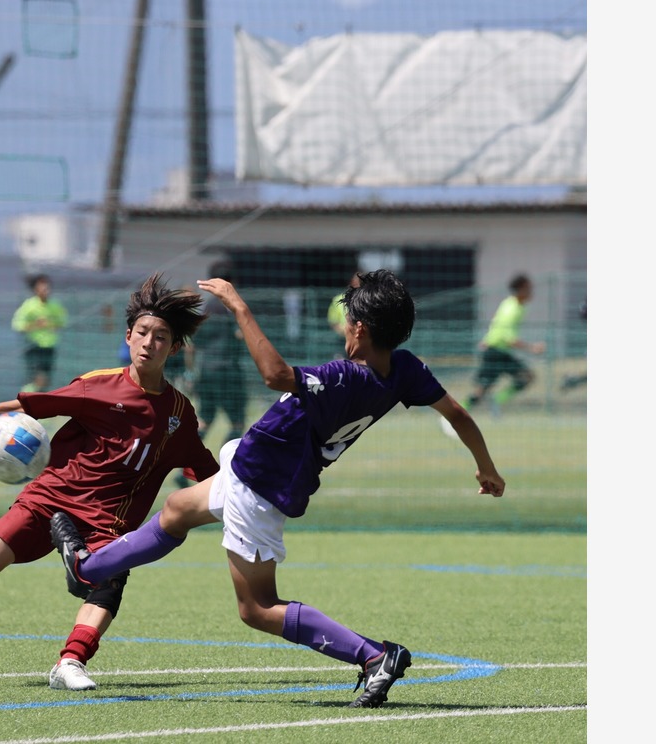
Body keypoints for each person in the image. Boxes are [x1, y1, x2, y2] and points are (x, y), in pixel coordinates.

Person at [51, 269, 505, 709]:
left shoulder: (344, 376)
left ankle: (373, 656)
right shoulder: (404, 370)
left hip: (259, 488)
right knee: (176, 509)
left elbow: (274, 374)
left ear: (361, 329)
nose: (343, 328)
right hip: (254, 467)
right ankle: (89, 566)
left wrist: (238, 305)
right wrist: (486, 467)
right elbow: (458, 414)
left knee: (257, 608)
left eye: (348, 320)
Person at [0, 273, 218, 692]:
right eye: (141, 333)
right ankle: (63, 547)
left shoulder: (179, 415)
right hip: (50, 500)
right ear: (128, 336)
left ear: (173, 348)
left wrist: (255, 488)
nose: (148, 343)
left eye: (159, 337)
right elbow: (35, 405)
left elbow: (208, 472)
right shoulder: (99, 385)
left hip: (107, 523)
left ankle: (71, 662)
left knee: (111, 577)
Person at [460, 273, 546, 417]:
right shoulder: (511, 308)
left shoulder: (517, 306)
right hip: (494, 351)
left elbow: (497, 325)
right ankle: (458, 411)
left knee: (527, 376)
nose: (532, 292)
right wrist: (532, 348)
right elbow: (508, 338)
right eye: (529, 288)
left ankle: (498, 399)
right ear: (521, 289)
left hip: (501, 351)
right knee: (482, 389)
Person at [192, 261, 248, 449]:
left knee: (205, 419)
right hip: (228, 370)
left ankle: (185, 469)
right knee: (238, 422)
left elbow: (194, 342)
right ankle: (226, 467)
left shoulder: (205, 308)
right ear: (231, 282)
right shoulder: (231, 306)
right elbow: (241, 334)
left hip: (206, 369)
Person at [11, 274, 68, 393]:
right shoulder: (29, 305)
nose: (45, 291)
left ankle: (37, 401)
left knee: (46, 378)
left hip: (49, 347)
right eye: (42, 288)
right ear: (35, 290)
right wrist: (36, 325)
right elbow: (17, 325)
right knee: (37, 377)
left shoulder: (55, 305)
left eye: (47, 288)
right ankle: (26, 398)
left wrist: (50, 324)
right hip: (33, 346)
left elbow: (62, 322)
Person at [327, 271, 362, 359]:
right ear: (352, 282)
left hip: (361, 341)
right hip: (342, 341)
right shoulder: (338, 300)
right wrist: (345, 331)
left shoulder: (369, 301)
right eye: (356, 281)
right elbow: (333, 322)